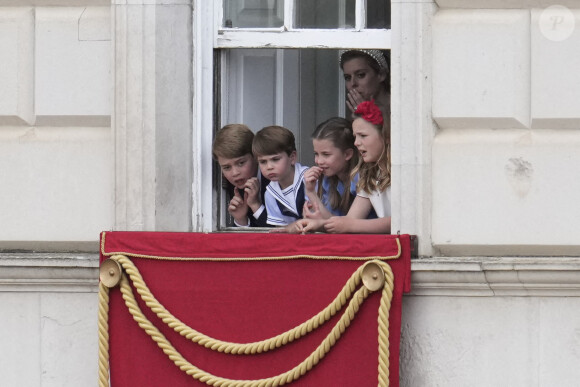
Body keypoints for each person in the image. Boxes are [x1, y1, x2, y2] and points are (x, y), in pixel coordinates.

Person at [295, 99, 391, 234]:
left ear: (386, 135)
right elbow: (348, 222)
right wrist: (315, 222)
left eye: (363, 136)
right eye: (355, 137)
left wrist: (323, 223)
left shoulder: (400, 172)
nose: (356, 143)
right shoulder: (371, 174)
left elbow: (401, 221)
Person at [212, 124, 269, 227]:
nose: (235, 173)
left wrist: (256, 205)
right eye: (227, 167)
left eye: (241, 163)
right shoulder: (233, 187)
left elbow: (281, 232)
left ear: (256, 157)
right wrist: (241, 220)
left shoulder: (275, 179)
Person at [252, 125, 309, 227]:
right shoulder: (270, 194)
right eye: (263, 161)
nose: (269, 167)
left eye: (275, 159)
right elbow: (280, 230)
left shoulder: (309, 178)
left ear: (292, 157)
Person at [303, 117, 358, 218]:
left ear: (347, 154)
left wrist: (311, 193)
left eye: (326, 154)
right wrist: (310, 191)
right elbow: (323, 218)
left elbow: (338, 225)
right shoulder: (327, 180)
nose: (319, 161)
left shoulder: (359, 179)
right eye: (316, 154)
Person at [340, 49, 390, 117]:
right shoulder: (355, 114)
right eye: (348, 78)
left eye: (361, 75)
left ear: (381, 75)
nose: (353, 83)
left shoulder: (402, 106)